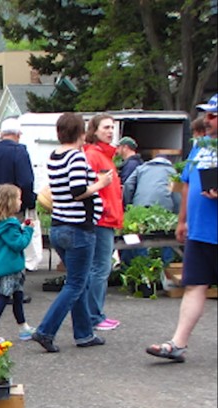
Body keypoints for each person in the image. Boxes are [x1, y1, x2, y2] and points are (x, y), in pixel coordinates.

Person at [147, 94, 218, 363]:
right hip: (201, 231)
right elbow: (187, 184)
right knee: (194, 286)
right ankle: (177, 344)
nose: (206, 120)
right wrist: (182, 220)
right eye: (207, 114)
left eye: (213, 115)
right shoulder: (202, 147)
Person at [31, 112, 111, 353]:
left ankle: (84, 333)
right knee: (76, 283)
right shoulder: (76, 157)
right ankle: (46, 330)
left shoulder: (55, 156)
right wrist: (100, 183)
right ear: (81, 132)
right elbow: (78, 191)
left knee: (80, 281)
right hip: (78, 227)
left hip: (59, 225)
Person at [83, 114, 124, 331]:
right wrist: (107, 210)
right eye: (106, 127)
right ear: (95, 130)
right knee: (100, 267)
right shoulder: (95, 156)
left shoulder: (104, 156)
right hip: (101, 219)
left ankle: (94, 314)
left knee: (98, 267)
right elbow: (95, 188)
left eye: (112, 128)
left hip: (106, 218)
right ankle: (94, 316)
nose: (110, 131)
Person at [0, 184, 36, 344]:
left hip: (3, 266)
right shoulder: (10, 224)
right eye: (18, 198)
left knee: (17, 296)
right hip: (11, 267)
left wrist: (22, 228)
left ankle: (23, 327)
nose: (21, 201)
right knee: (4, 298)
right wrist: (28, 230)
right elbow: (18, 244)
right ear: (10, 202)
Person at [122, 154, 180, 265]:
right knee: (166, 237)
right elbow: (176, 194)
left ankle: (142, 264)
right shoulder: (172, 171)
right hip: (164, 209)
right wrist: (177, 213)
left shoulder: (141, 168)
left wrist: (129, 205)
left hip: (140, 207)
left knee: (141, 235)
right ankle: (164, 266)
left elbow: (128, 185)